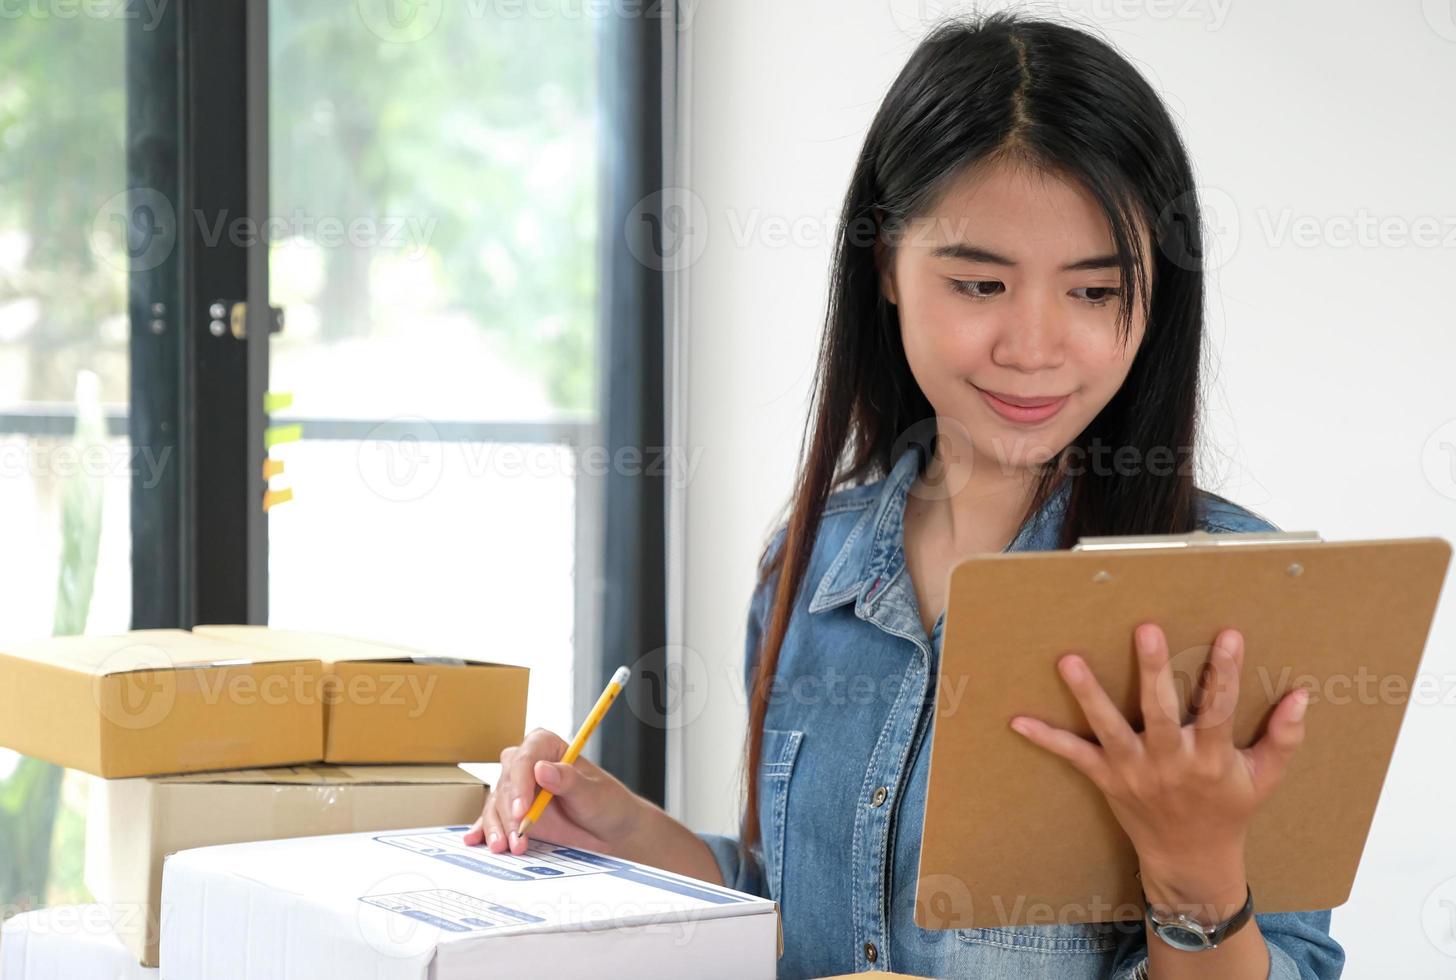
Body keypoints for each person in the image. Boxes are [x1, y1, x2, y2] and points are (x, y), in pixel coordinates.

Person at [464, 11, 1346, 978]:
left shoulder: (1234, 596)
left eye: (1094, 293)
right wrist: (622, 831)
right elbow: (791, 907)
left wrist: (1197, 877)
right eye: (979, 285)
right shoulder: (809, 561)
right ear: (885, 262)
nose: (1035, 346)